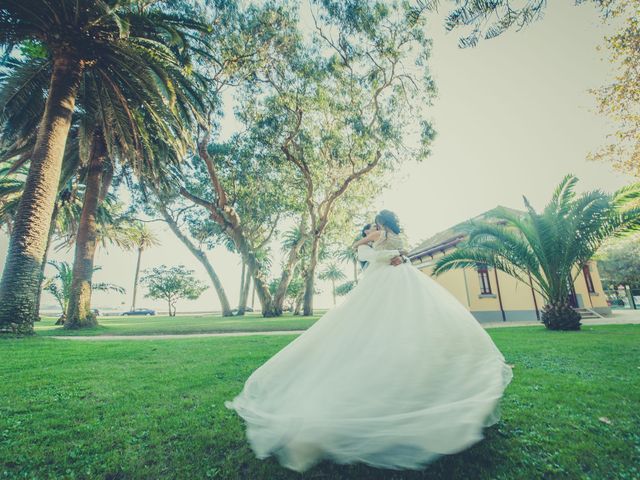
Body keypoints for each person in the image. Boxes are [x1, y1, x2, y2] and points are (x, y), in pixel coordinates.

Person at [225, 209, 513, 472]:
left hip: (395, 279)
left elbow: (360, 248)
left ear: (381, 222)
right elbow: (377, 251)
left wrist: (381, 253)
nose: (374, 227)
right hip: (395, 279)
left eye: (377, 222)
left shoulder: (382, 234)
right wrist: (385, 256)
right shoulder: (397, 235)